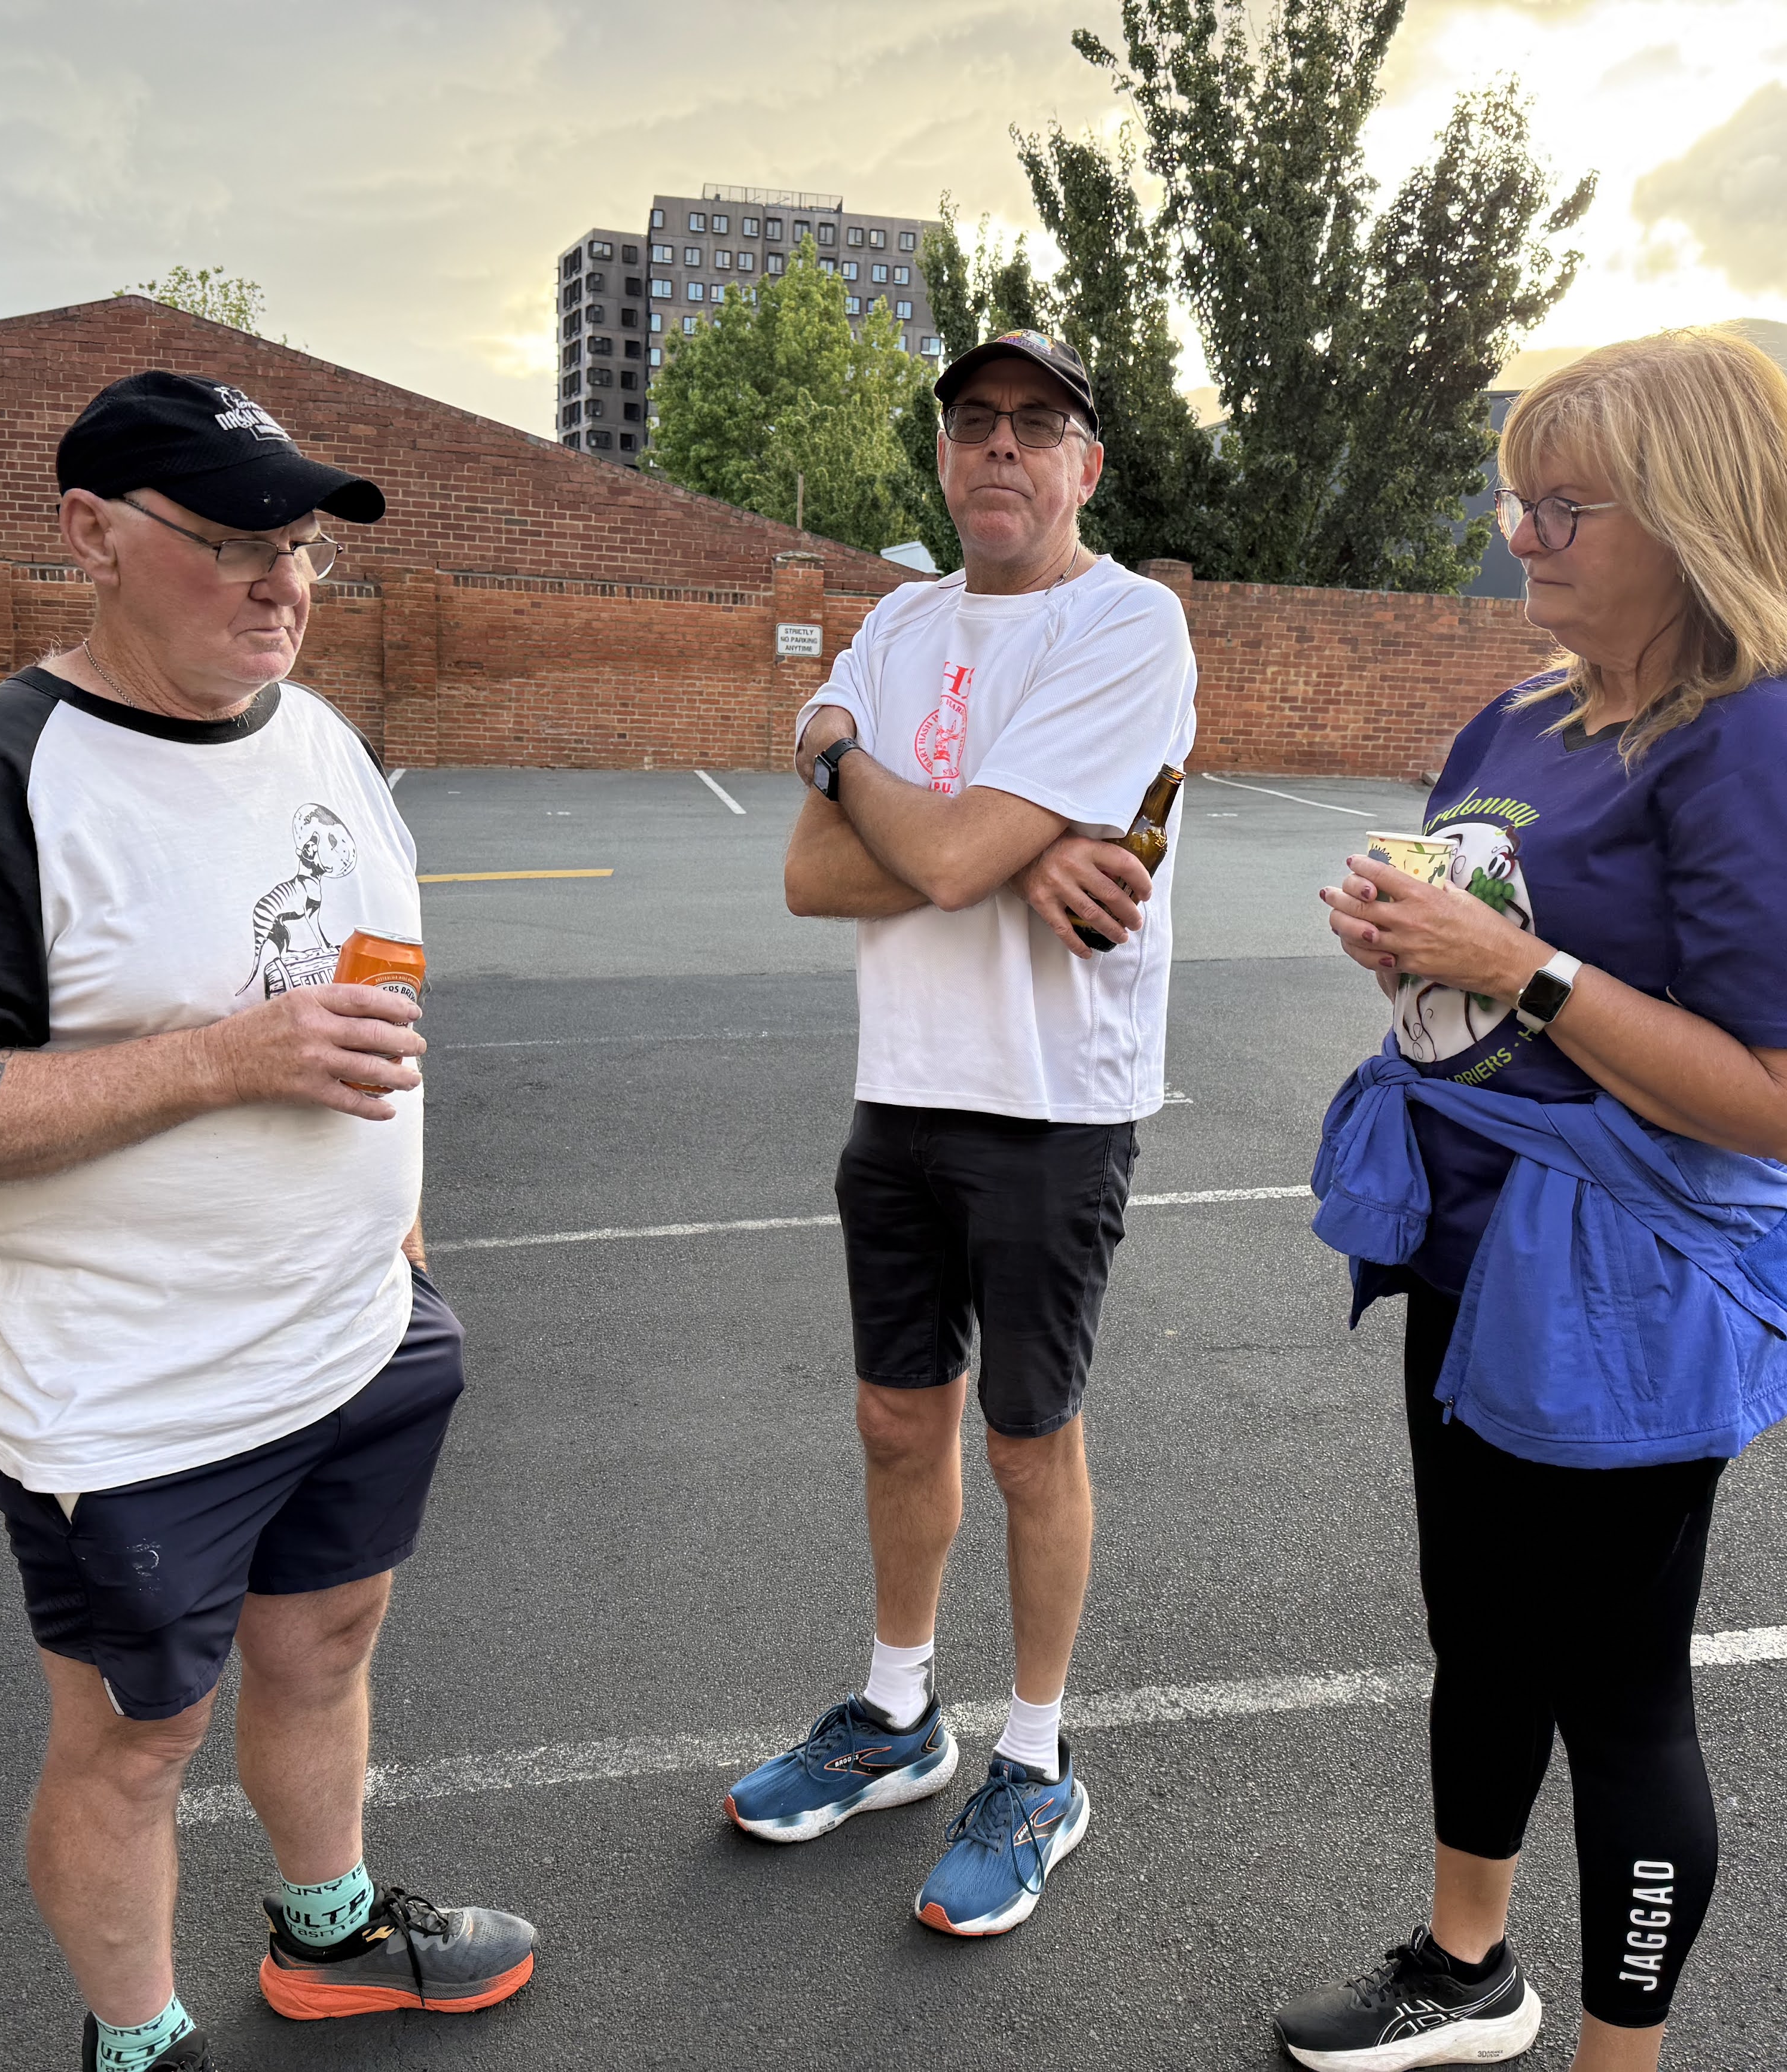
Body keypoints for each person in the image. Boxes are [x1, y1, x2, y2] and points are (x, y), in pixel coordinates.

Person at [0, 374, 533, 2072]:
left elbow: (370, 1001)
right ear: (91, 536)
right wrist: (223, 1058)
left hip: (357, 1340)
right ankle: (138, 2043)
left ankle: (328, 1934)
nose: (284, 583)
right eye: (232, 541)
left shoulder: (324, 739)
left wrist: (401, 1241)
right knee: (138, 1743)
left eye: (304, 549)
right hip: (134, 1404)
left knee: (326, 1650)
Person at [1270, 329, 1787, 2072]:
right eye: (1515, 501)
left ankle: (1623, 2059)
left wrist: (1514, 969)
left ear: (1696, 521)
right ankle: (1466, 1968)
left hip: (1627, 1282)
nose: (1521, 538)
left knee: (1619, 1696)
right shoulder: (1526, 713)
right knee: (1478, 1637)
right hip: (1473, 1250)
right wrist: (1415, 951)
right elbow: (1496, 962)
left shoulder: (1764, 741)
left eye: (1564, 507)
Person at [724, 330, 1197, 1938]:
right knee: (892, 1419)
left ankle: (1038, 1760)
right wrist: (1008, 843)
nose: (1001, 446)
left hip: (1053, 1101)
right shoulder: (898, 623)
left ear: (1084, 465)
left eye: (1037, 424)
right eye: (973, 421)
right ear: (941, 455)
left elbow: (922, 863)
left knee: (1024, 1441)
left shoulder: (1126, 624)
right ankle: (897, 1715)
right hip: (904, 1085)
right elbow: (814, 873)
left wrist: (849, 765)